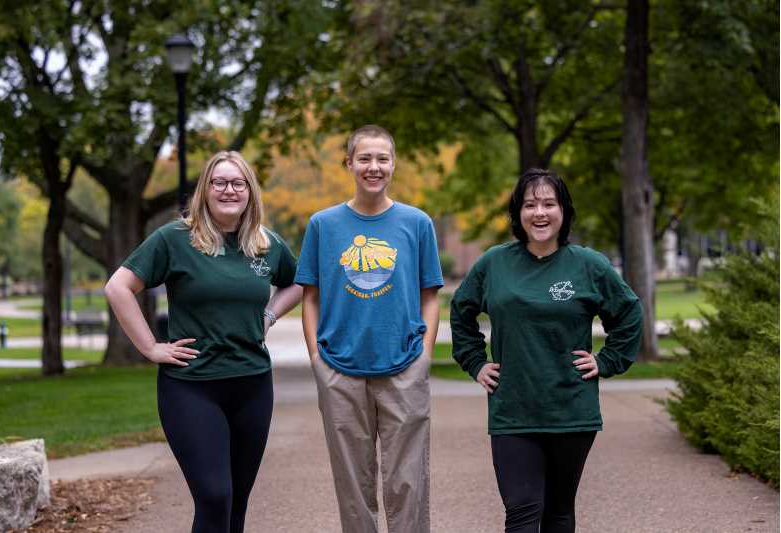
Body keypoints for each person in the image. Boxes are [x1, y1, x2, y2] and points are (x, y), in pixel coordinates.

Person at [104, 151, 301, 533]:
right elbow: (118, 287)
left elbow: (299, 282)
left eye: (238, 183)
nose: (229, 190)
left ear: (250, 191)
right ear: (205, 190)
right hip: (192, 387)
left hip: (252, 384)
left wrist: (269, 315)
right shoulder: (176, 239)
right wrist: (150, 347)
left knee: (236, 504)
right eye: (219, 183)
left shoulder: (266, 244)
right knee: (214, 496)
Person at [450, 168, 643, 533]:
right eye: (530, 204)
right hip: (513, 410)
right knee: (522, 512)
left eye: (549, 204)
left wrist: (607, 360)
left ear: (564, 211)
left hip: (570, 409)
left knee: (558, 513)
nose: (539, 213)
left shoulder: (588, 265)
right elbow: (461, 311)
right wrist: (475, 362)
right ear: (518, 213)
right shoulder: (494, 263)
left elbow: (629, 311)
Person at [294, 124, 443, 533]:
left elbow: (431, 295)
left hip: (404, 367)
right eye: (364, 158)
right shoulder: (323, 225)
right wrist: (316, 360)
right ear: (349, 164)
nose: (373, 167)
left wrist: (424, 356)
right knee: (353, 485)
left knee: (408, 481)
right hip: (340, 369)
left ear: (393, 164)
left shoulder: (416, 223)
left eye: (382, 159)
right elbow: (311, 296)